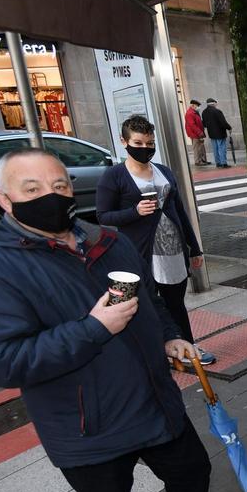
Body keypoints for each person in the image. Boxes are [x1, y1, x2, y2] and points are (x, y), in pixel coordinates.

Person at [0, 148, 247, 492]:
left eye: (58, 186)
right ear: (4, 199)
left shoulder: (109, 242)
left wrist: (170, 337)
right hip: (84, 422)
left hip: (152, 398)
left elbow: (152, 302)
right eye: (32, 189)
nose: (50, 196)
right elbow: (0, 361)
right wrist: (93, 329)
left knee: (191, 471)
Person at [97, 115, 215, 366]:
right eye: (138, 143)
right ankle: (149, 354)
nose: (144, 149)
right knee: (141, 306)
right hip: (138, 254)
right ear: (124, 142)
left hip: (172, 251)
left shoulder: (163, 172)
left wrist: (194, 248)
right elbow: (103, 215)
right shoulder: (114, 176)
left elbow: (180, 211)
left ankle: (187, 348)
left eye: (149, 144)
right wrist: (134, 212)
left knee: (175, 305)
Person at [201, 98, 233, 168]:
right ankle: (223, 163)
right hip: (220, 133)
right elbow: (223, 122)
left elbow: (204, 124)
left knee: (215, 149)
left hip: (211, 134)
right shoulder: (217, 111)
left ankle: (218, 163)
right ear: (214, 103)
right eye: (216, 103)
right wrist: (229, 127)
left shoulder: (204, 112)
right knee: (222, 148)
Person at [184, 99, 208, 166]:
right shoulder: (190, 113)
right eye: (197, 106)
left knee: (201, 147)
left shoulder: (194, 112)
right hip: (195, 134)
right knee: (197, 148)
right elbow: (192, 125)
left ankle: (203, 160)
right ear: (192, 105)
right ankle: (198, 161)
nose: (198, 107)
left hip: (198, 133)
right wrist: (199, 132)